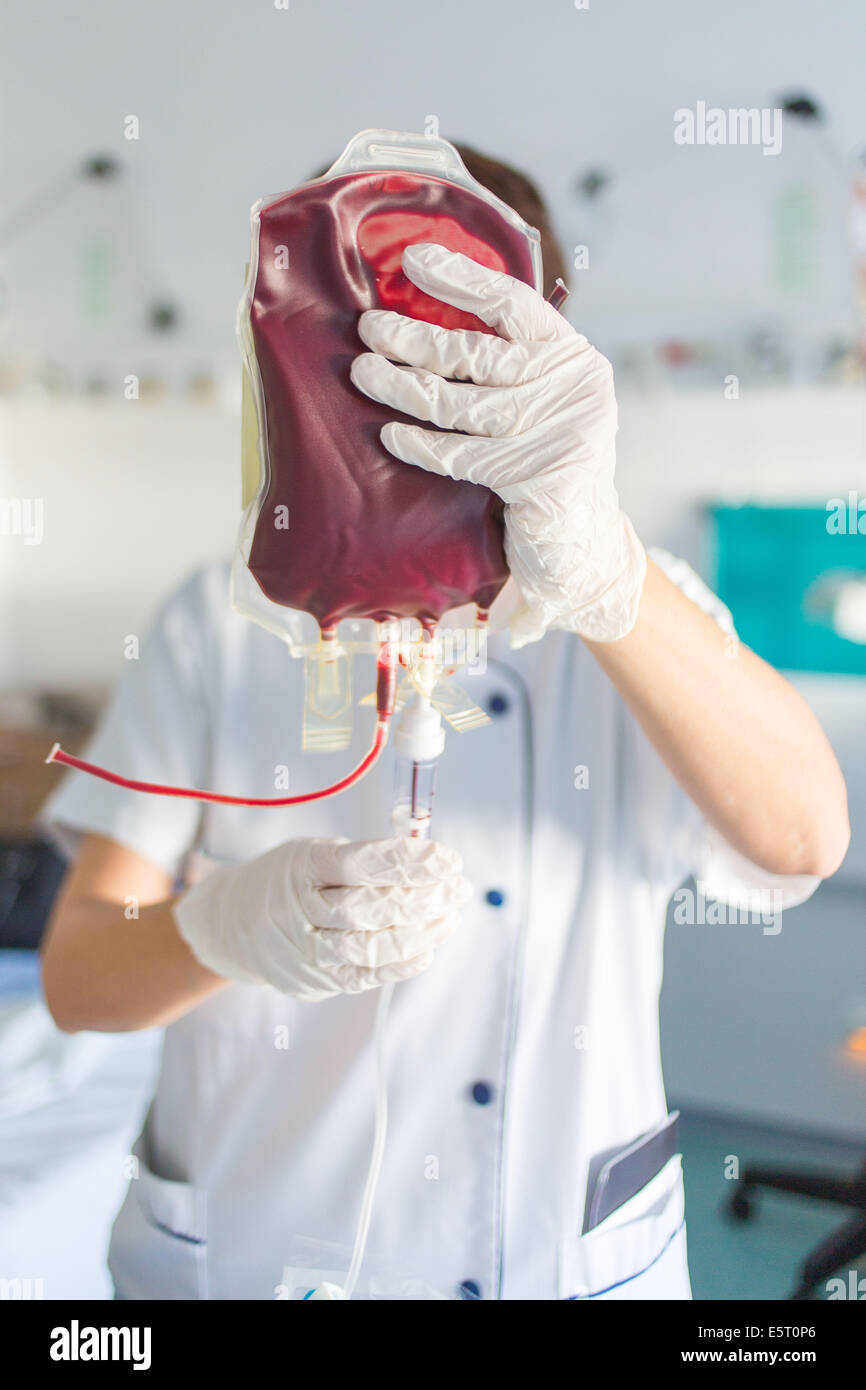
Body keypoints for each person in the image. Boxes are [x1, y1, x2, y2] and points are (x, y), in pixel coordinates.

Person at [40, 142, 850, 1301]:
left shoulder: (631, 600)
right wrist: (216, 928)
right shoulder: (218, 624)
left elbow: (802, 837)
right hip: (256, 1259)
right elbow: (80, 977)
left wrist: (607, 575)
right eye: (352, 359)